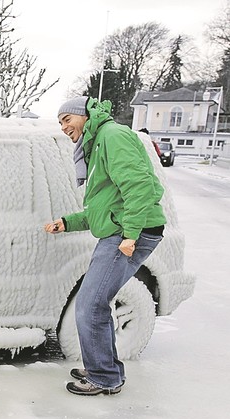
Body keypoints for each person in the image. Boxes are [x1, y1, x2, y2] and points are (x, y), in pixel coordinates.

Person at [44, 96, 166, 396]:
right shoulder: (98, 141)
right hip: (123, 229)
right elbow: (107, 206)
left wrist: (130, 235)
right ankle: (105, 368)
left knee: (89, 305)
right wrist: (68, 222)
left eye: (66, 120)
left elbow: (139, 186)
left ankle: (103, 377)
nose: (64, 127)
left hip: (129, 232)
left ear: (83, 115)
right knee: (95, 302)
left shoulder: (111, 136)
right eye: (60, 123)